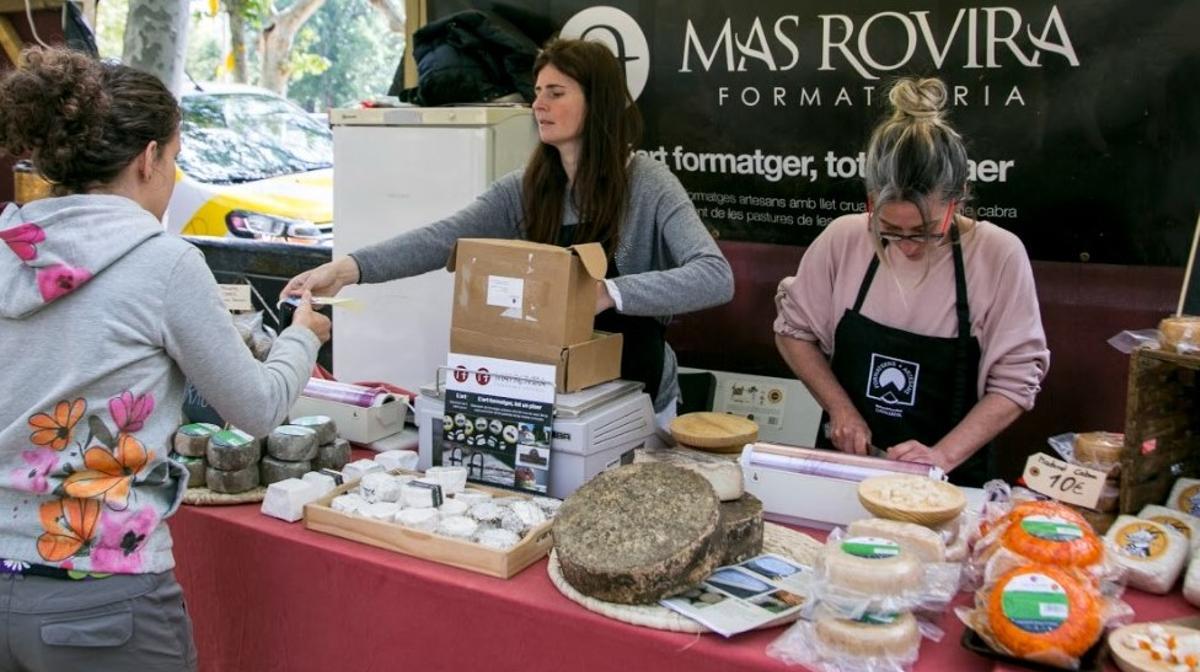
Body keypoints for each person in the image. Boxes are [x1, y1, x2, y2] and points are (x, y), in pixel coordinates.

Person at [0, 48, 330, 672]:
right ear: (149, 157)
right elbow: (258, 408)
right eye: (176, 159)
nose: (173, 176)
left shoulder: (6, 252)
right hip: (101, 598)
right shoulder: (163, 263)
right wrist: (302, 337)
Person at [283, 39, 734, 426]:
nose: (539, 104)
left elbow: (715, 276)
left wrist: (607, 292)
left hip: (635, 403)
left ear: (597, 102)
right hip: (546, 399)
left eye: (556, 92)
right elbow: (442, 238)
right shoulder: (524, 190)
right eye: (537, 92)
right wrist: (347, 269)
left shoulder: (646, 181)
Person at [773, 77, 1049, 487]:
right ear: (871, 204)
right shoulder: (844, 239)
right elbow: (793, 333)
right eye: (889, 230)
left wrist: (940, 456)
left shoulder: (998, 255)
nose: (907, 247)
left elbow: (1016, 384)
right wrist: (840, 410)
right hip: (848, 471)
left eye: (924, 231)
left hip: (949, 483)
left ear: (957, 201)